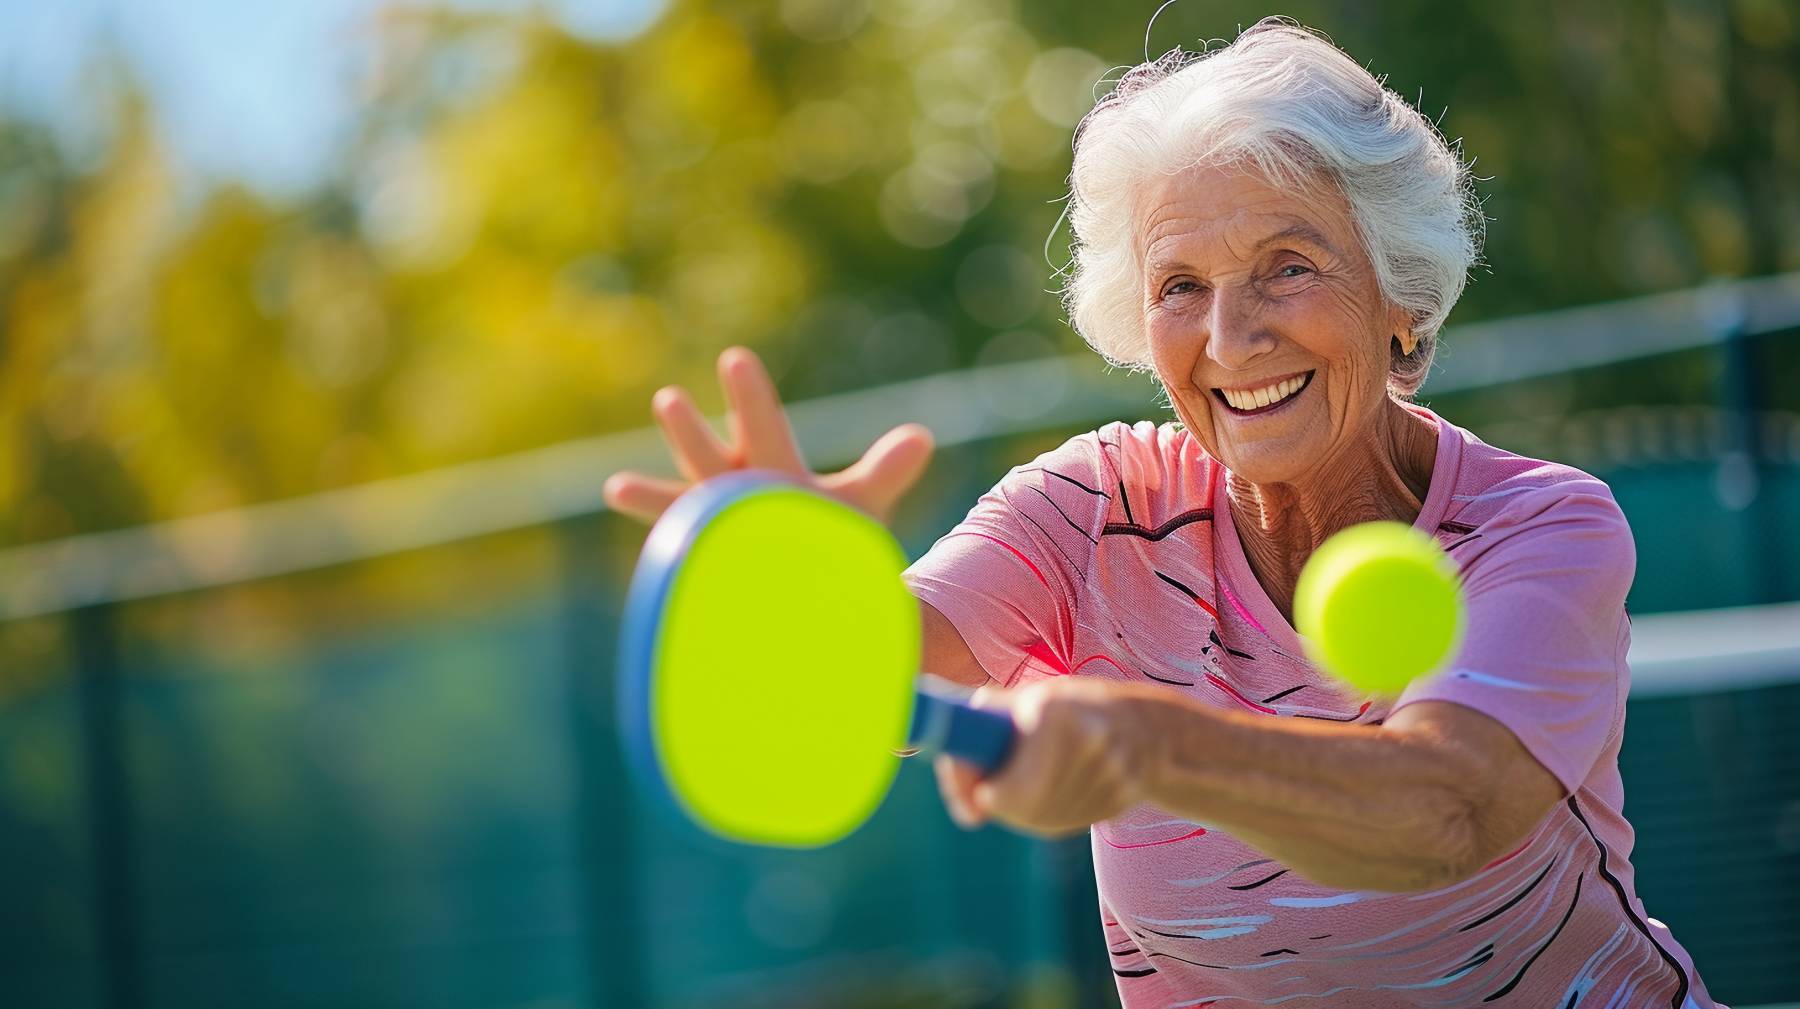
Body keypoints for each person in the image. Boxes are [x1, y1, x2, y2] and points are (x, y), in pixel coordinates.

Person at [605, 18, 1719, 1008]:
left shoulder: (1542, 527)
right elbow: (860, 679)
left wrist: (1145, 745)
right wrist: (795, 582)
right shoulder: (1089, 507)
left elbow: (1446, 810)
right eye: (1181, 286)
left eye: (1287, 267)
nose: (1231, 341)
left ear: (1404, 305)